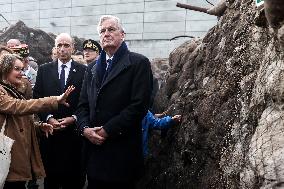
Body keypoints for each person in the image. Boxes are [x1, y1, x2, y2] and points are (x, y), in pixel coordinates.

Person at [76, 15, 153, 189]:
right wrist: (84, 129)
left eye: (111, 29)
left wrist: (107, 130)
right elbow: (82, 106)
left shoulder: (138, 63)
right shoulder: (92, 68)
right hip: (94, 154)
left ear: (122, 34)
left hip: (121, 154)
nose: (106, 34)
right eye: (102, 31)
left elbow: (139, 106)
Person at [0, 54, 75, 189]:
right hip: (7, 160)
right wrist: (54, 100)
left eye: (22, 69)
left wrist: (39, 127)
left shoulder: (13, 90)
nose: (21, 73)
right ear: (5, 69)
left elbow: (18, 123)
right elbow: (19, 107)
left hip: (17, 160)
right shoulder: (2, 91)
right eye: (16, 69)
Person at [33, 33, 87, 189]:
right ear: (55, 48)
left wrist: (75, 118)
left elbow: (86, 100)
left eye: (66, 45)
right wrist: (48, 118)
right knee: (51, 180)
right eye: (59, 46)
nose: (62, 49)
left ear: (73, 48)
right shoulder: (44, 70)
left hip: (74, 135)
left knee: (74, 180)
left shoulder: (83, 71)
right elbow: (38, 98)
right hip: (51, 135)